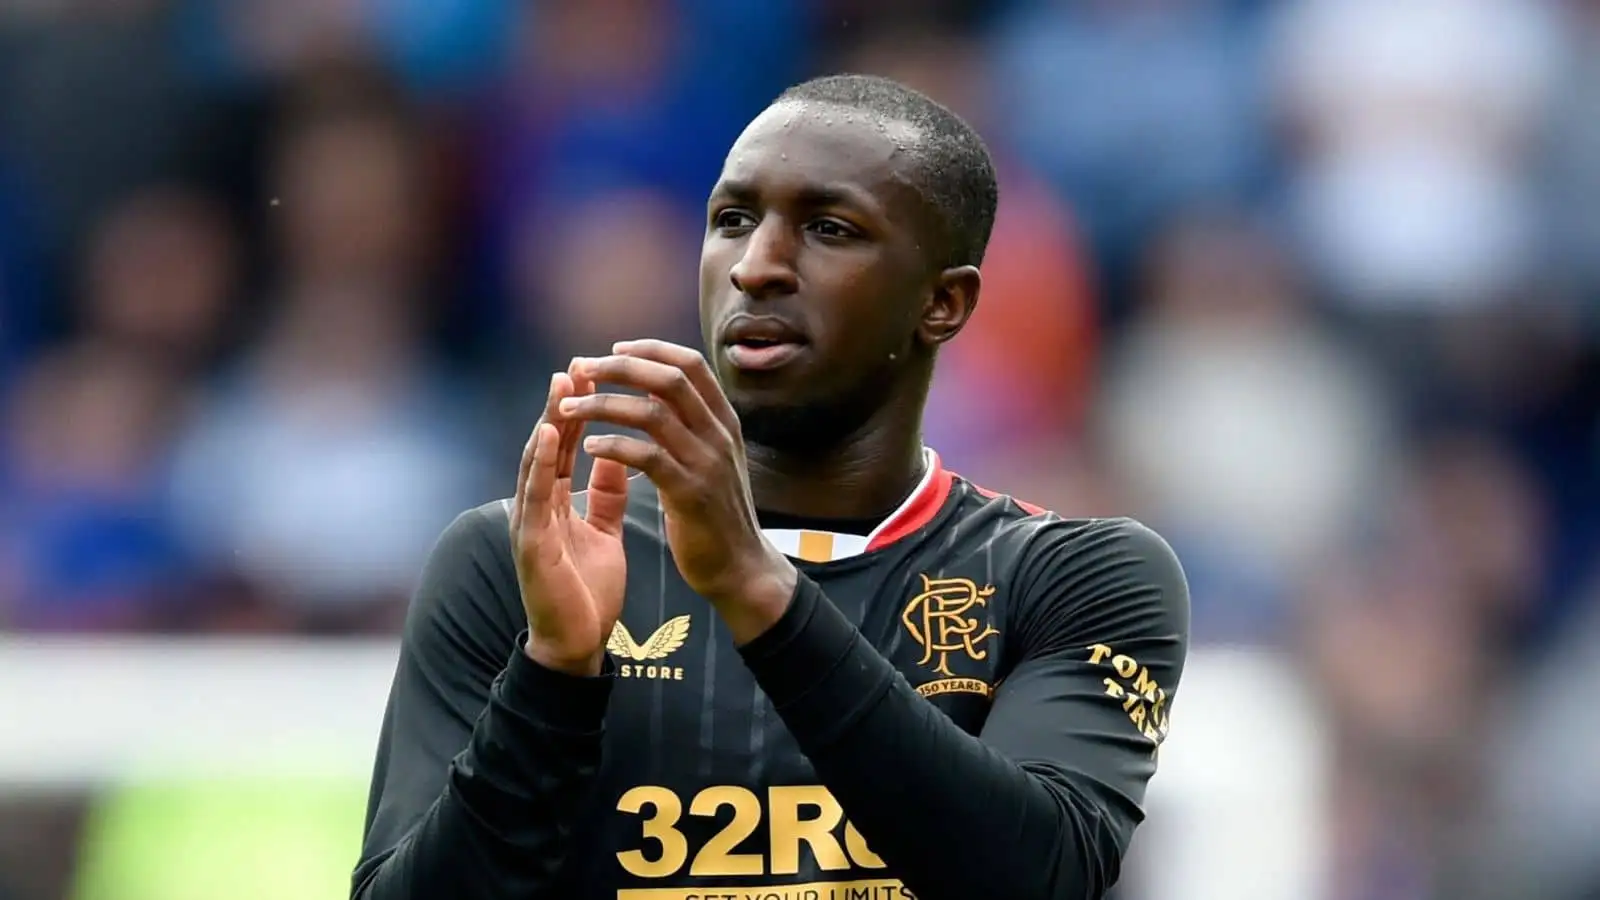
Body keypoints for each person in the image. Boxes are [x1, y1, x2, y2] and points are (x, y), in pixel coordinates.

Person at [352, 74, 1190, 900]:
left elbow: (1043, 880)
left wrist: (757, 589)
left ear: (943, 302)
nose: (757, 266)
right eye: (732, 220)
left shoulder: (1076, 578)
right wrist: (550, 677)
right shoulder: (519, 567)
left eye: (828, 228)